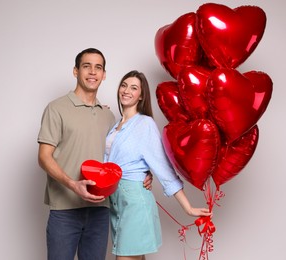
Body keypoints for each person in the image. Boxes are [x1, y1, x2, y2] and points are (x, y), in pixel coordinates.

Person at [37, 49, 152, 260]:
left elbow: (122, 156)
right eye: (86, 66)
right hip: (65, 209)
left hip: (100, 210)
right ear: (75, 71)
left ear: (104, 74)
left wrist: (146, 173)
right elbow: (44, 157)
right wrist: (73, 184)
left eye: (98, 67)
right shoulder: (56, 108)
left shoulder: (108, 116)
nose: (92, 71)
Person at [104, 70, 212, 260]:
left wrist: (188, 208)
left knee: (125, 257)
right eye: (124, 85)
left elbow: (164, 168)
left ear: (141, 95)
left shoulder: (145, 124)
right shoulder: (115, 126)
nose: (126, 90)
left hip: (134, 202)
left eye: (134, 88)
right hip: (116, 201)